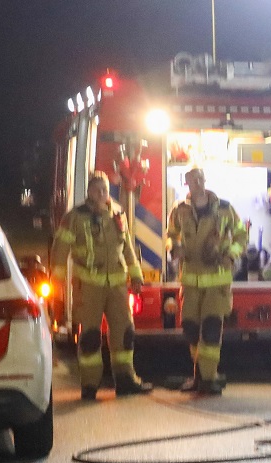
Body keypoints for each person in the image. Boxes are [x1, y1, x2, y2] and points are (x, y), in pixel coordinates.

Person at [51, 170, 152, 401]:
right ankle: (89, 385)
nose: (101, 193)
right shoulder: (74, 217)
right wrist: (57, 283)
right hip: (88, 287)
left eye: (105, 189)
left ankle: (126, 380)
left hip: (117, 287)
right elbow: (60, 251)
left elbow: (127, 248)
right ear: (89, 192)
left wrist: (136, 276)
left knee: (124, 334)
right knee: (90, 338)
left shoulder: (118, 214)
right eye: (97, 190)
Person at [168, 166, 247, 394]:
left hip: (216, 281)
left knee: (211, 330)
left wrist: (230, 255)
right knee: (190, 328)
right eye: (192, 180)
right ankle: (201, 374)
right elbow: (171, 234)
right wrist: (174, 248)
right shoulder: (179, 210)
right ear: (187, 184)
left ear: (205, 180)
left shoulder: (224, 209)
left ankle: (208, 379)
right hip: (190, 282)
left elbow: (241, 235)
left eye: (200, 179)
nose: (197, 183)